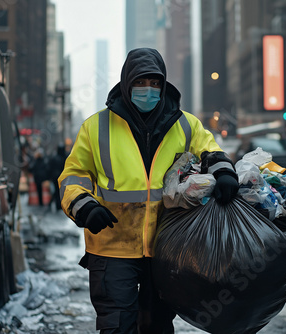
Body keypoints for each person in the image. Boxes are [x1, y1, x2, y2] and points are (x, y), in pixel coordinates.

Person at [58, 48, 239, 333]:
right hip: (112, 245)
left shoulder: (185, 124)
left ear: (164, 84)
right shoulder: (96, 127)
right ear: (127, 82)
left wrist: (224, 172)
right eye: (140, 82)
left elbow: (210, 150)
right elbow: (74, 175)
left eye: (155, 83)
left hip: (167, 246)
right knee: (117, 324)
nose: (148, 90)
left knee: (157, 325)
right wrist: (85, 206)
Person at [48, 144, 68, 211]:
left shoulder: (54, 158)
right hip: (63, 177)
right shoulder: (65, 157)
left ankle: (58, 205)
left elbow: (50, 168)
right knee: (62, 191)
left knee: (57, 191)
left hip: (55, 177)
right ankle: (62, 205)